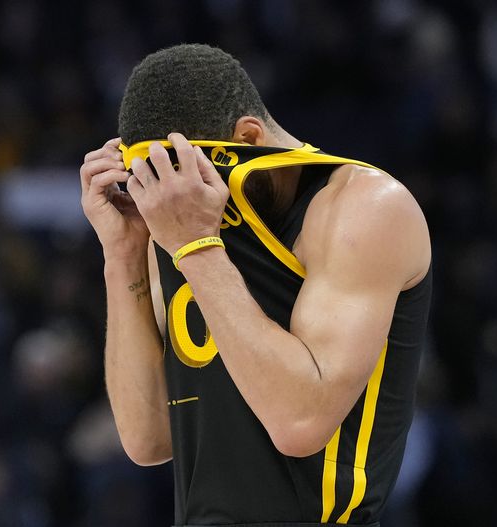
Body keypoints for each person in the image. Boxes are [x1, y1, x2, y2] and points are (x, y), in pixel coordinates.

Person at [79, 43, 431, 527]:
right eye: (153, 179)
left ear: (247, 137)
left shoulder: (364, 206)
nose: (170, 195)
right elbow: (149, 438)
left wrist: (197, 247)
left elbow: (300, 421)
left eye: (182, 173)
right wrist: (122, 256)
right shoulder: (183, 224)